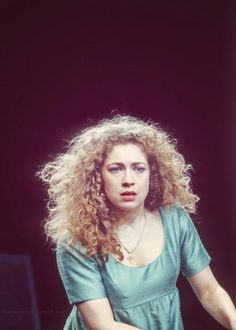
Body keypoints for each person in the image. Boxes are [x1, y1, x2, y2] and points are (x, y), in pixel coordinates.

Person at [38, 114, 236, 330]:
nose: (128, 180)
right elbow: (103, 325)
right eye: (115, 169)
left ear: (153, 174)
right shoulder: (75, 241)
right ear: (97, 177)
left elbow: (210, 291)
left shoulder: (174, 217)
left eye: (138, 168)